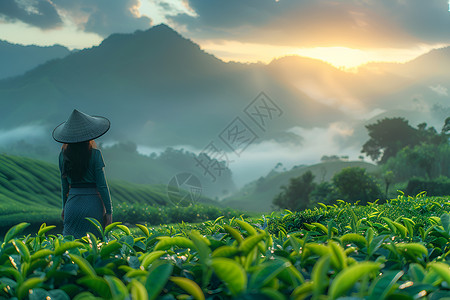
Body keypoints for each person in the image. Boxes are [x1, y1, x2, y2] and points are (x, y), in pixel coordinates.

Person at [52, 109, 113, 238]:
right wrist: (109, 211)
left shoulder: (63, 156)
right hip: (93, 205)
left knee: (70, 247)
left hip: (72, 205)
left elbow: (64, 186)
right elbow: (102, 185)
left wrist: (64, 207)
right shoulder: (95, 154)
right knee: (94, 246)